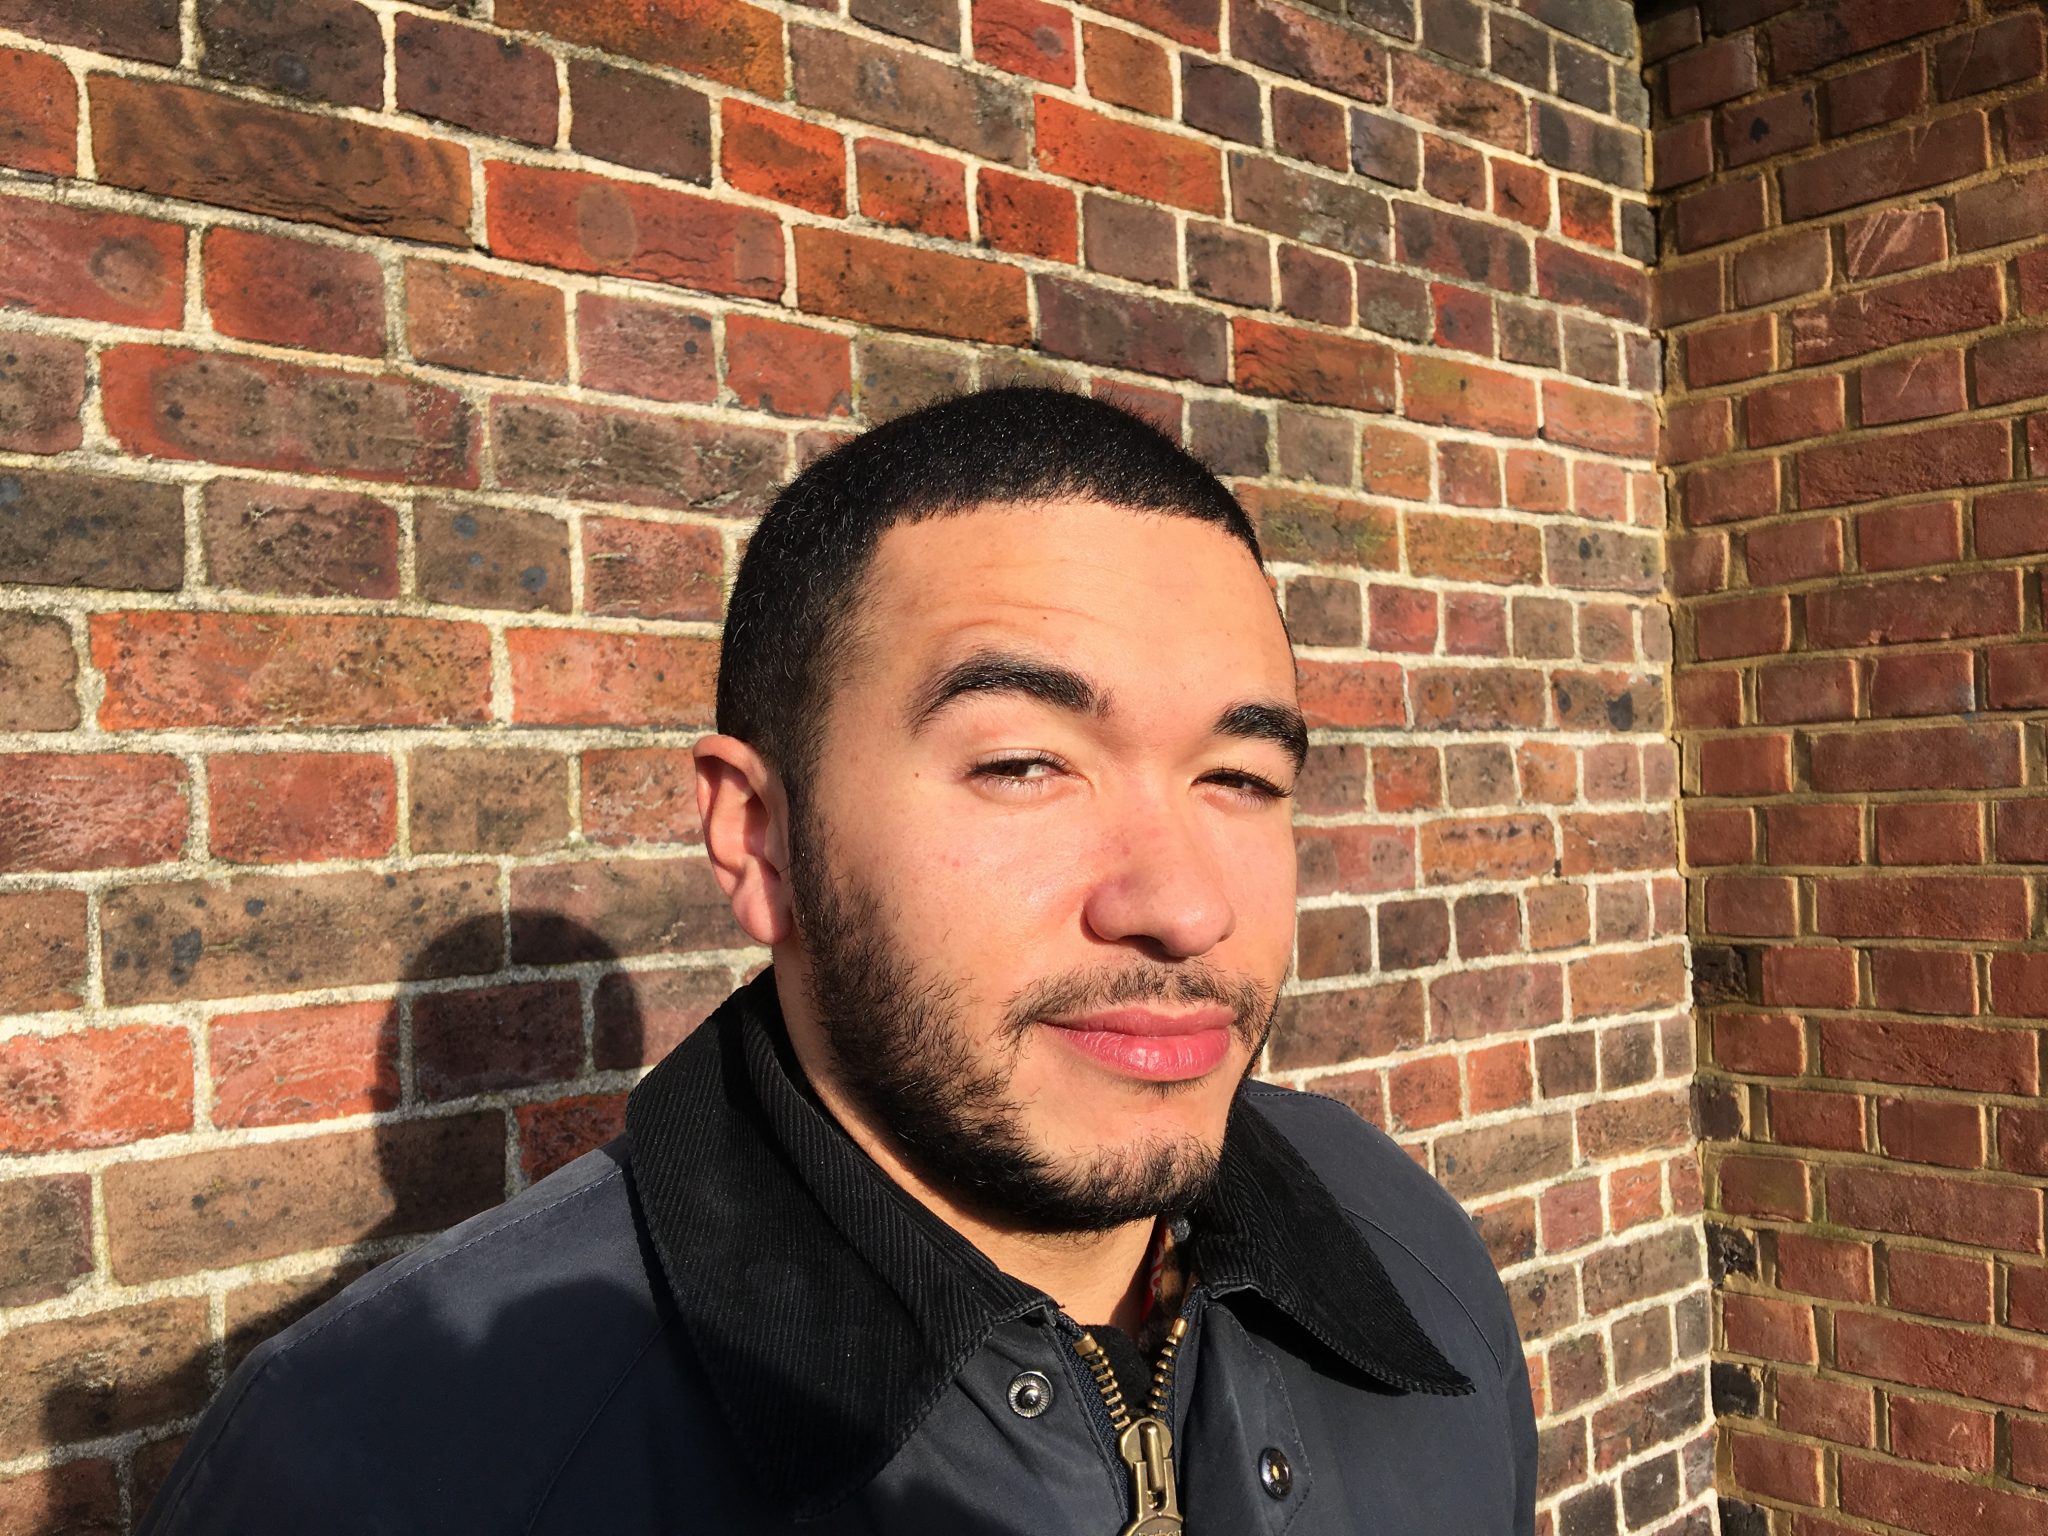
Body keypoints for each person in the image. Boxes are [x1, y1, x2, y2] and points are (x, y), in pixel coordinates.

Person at [140, 387, 1537, 1535]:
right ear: (760, 839)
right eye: (1023, 763)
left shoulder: (1400, 1250)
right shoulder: (387, 1469)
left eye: (1239, 777)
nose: (1182, 907)